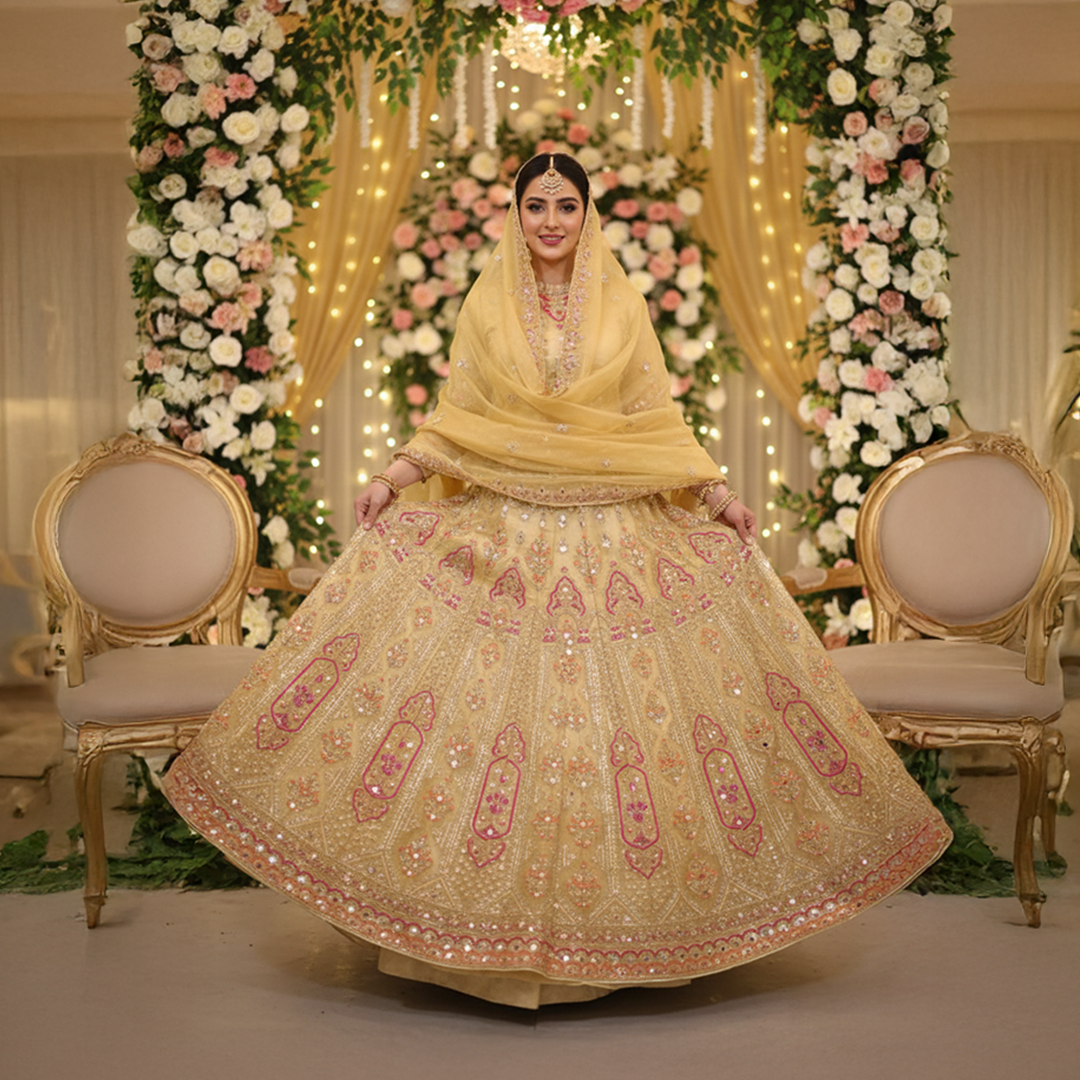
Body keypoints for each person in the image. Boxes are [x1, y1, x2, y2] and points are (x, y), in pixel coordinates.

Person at [165, 153, 950, 1009]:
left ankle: (624, 939)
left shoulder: (622, 303)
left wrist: (718, 496)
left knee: (621, 728)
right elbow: (461, 420)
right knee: (482, 719)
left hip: (615, 536)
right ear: (516, 213)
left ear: (585, 215)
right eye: (535, 205)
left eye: (565, 205)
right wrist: (392, 478)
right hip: (506, 533)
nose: (550, 220)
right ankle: (467, 936)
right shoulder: (486, 305)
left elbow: (653, 417)